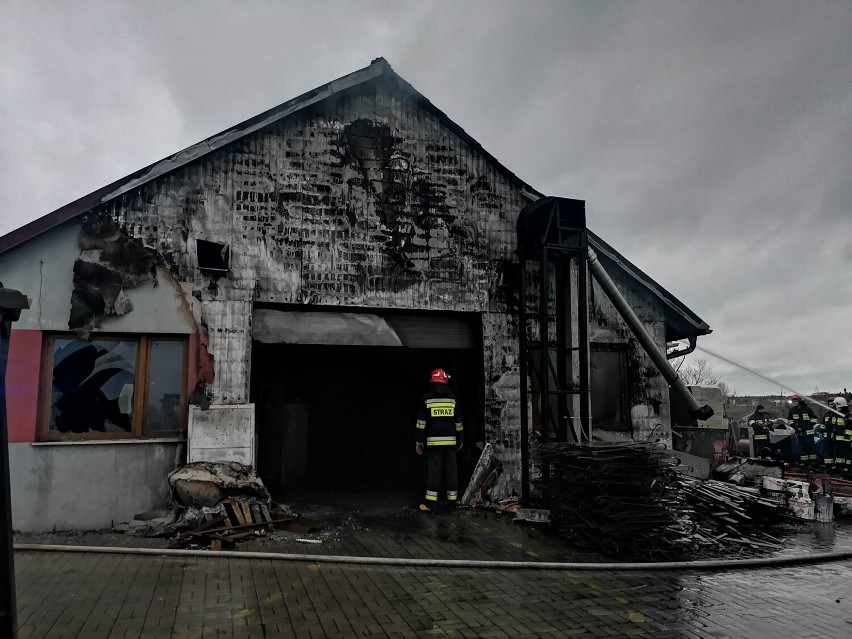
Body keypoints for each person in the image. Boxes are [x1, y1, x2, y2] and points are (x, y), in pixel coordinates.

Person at [415, 368, 464, 512]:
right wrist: (460, 439)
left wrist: (419, 441)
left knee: (434, 472)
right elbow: (458, 422)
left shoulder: (426, 399)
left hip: (433, 443)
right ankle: (452, 504)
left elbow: (421, 423)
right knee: (451, 472)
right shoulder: (453, 399)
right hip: (450, 443)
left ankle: (430, 504)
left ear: (432, 382)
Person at [787, 395, 818, 466]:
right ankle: (804, 462)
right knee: (802, 447)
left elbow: (814, 419)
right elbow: (790, 420)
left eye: (796, 401)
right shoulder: (792, 410)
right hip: (799, 432)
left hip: (808, 432)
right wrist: (794, 426)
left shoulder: (807, 409)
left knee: (810, 447)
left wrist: (807, 426)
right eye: (793, 401)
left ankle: (813, 461)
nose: (794, 403)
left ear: (800, 401)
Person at [824, 396, 850, 474]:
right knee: (838, 454)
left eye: (835, 405)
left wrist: (847, 436)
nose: (834, 406)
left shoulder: (847, 415)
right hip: (837, 439)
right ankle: (840, 467)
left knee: (847, 454)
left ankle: (847, 467)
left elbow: (849, 427)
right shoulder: (836, 415)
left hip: (845, 439)